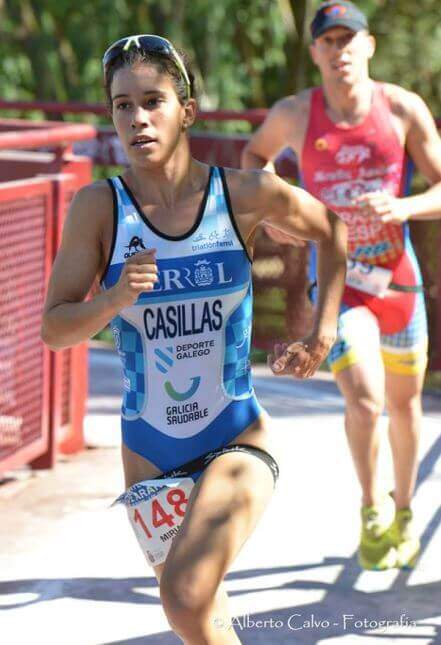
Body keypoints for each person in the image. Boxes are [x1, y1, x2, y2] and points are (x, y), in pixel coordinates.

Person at [41, 34, 346, 643]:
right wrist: (113, 299)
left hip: (236, 436)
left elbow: (332, 230)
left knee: (182, 597)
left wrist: (320, 330)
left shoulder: (242, 194)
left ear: (187, 109)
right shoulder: (98, 208)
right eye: (122, 105)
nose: (137, 118)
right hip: (150, 456)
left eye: (152, 100)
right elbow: (54, 329)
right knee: (202, 622)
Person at [242, 1, 441, 571]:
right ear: (315, 54)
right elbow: (255, 155)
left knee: (404, 408)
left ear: (368, 45)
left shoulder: (401, 108)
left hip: (398, 281)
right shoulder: (295, 114)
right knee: (365, 399)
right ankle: (371, 507)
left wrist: (403, 206)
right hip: (340, 284)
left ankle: (403, 511)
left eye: (348, 39)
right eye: (327, 41)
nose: (340, 50)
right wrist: (277, 206)